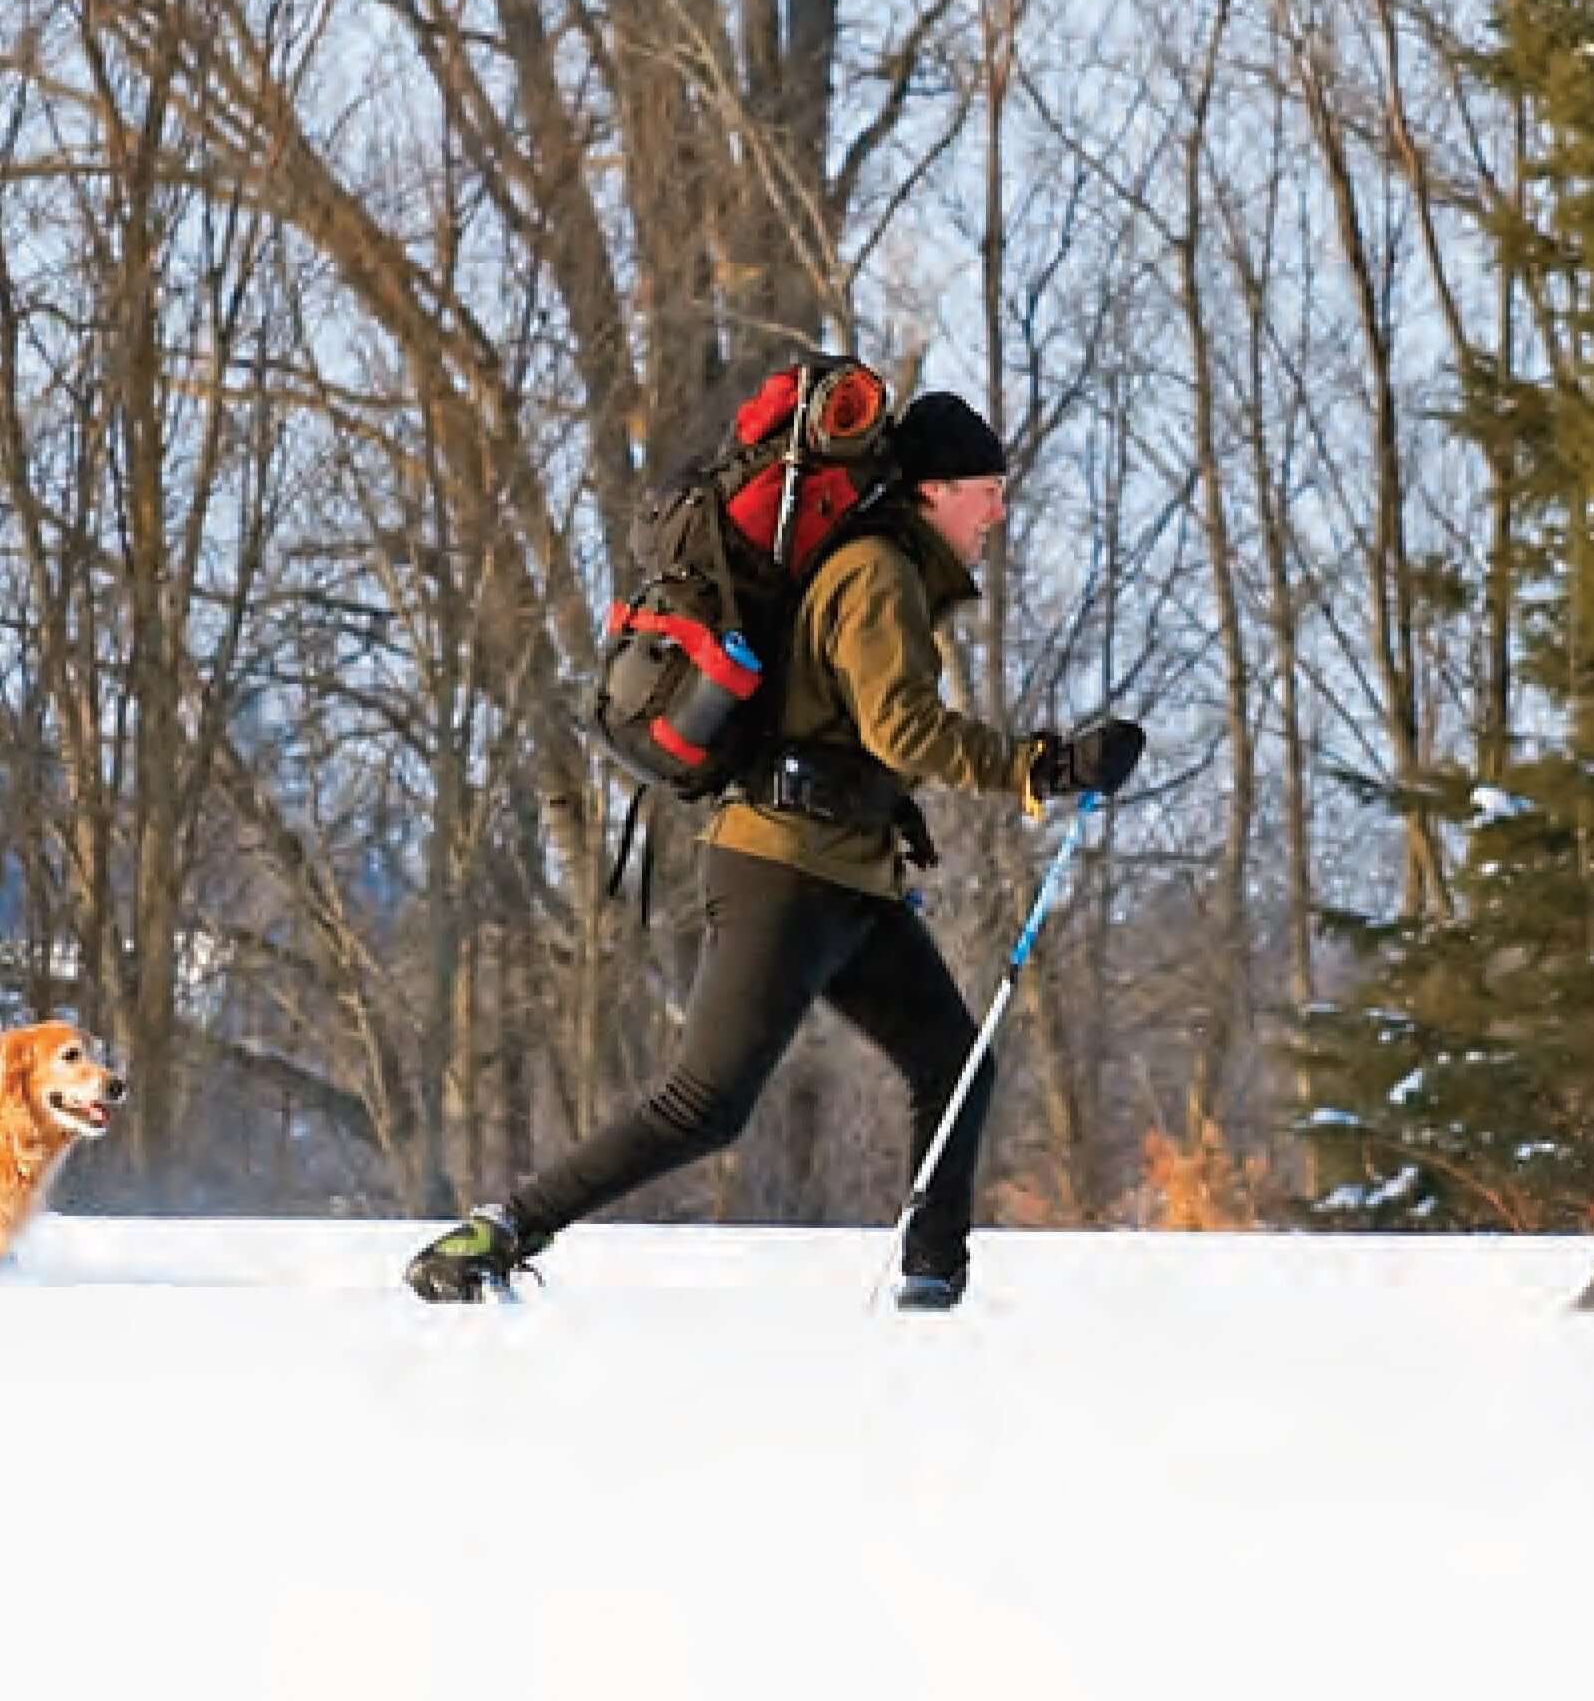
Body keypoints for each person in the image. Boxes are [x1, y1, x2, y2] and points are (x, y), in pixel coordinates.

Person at [407, 389, 1137, 1314]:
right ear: (932, 492)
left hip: (846, 874)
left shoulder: (895, 571)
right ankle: (500, 1231)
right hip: (783, 872)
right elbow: (903, 730)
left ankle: (929, 1283)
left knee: (956, 1061)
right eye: (985, 489)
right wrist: (1038, 767)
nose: (997, 510)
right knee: (703, 1106)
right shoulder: (877, 573)